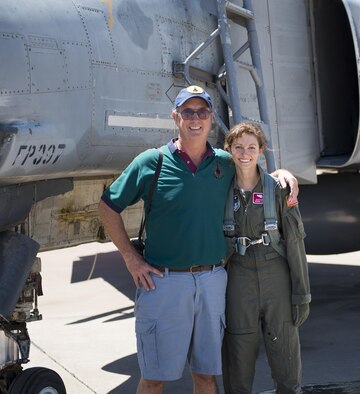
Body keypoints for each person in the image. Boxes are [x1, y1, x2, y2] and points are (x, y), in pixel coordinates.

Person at [98, 86, 298, 394]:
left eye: (202, 112)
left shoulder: (224, 162)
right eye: (188, 112)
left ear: (210, 118)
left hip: (213, 282)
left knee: (206, 377)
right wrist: (130, 258)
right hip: (163, 284)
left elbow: (254, 172)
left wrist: (284, 174)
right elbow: (108, 206)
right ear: (175, 117)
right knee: (153, 378)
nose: (196, 119)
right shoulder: (152, 162)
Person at [221, 123, 311, 394]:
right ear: (229, 150)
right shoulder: (220, 190)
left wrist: (301, 294)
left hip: (276, 273)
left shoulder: (279, 189)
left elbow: (295, 243)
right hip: (238, 274)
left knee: (284, 353)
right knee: (238, 353)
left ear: (261, 150)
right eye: (238, 147)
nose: (245, 153)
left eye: (251, 147)